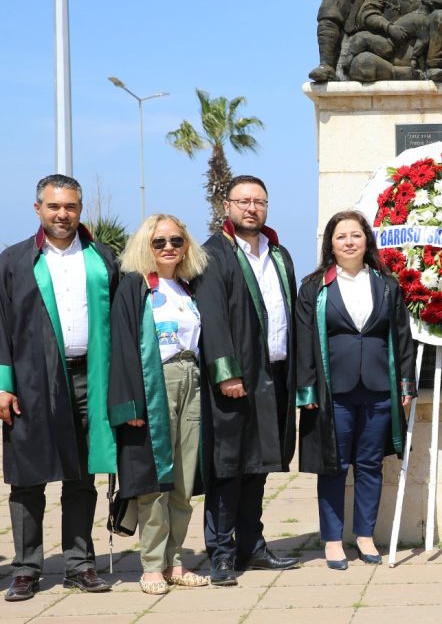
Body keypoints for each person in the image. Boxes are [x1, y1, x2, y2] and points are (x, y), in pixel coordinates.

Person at [0, 174, 118, 601]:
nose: (62, 214)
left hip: (91, 377)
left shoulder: (102, 258)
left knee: (82, 476)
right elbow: (1, 327)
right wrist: (3, 384)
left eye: (70, 206)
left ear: (80, 210)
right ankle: (27, 568)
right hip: (32, 382)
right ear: (38, 210)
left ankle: (78, 564)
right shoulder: (13, 261)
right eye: (54, 207)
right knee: (27, 478)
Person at [192, 175, 300, 586]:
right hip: (235, 380)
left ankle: (251, 546)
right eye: (243, 201)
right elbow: (213, 317)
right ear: (227, 207)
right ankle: (220, 553)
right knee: (228, 468)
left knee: (260, 467)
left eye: (259, 201)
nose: (251, 208)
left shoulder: (280, 254)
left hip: (274, 375)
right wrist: (226, 372)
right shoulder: (213, 254)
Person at [295, 210, 417, 569]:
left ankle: (364, 536)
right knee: (333, 466)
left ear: (367, 241)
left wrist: (406, 384)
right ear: (330, 245)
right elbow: (304, 341)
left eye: (356, 235)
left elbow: (402, 338)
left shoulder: (387, 284)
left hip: (379, 390)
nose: (349, 242)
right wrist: (307, 390)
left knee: (369, 465)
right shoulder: (315, 287)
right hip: (334, 392)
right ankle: (333, 540)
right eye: (341, 236)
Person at [109, 215, 210, 594]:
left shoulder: (188, 287)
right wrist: (130, 404)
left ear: (186, 245)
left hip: (192, 381)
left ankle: (176, 561)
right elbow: (121, 347)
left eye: (176, 240)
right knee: (154, 479)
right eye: (159, 242)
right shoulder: (135, 288)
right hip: (155, 383)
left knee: (183, 480)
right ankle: (151, 564)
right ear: (146, 246)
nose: (168, 247)